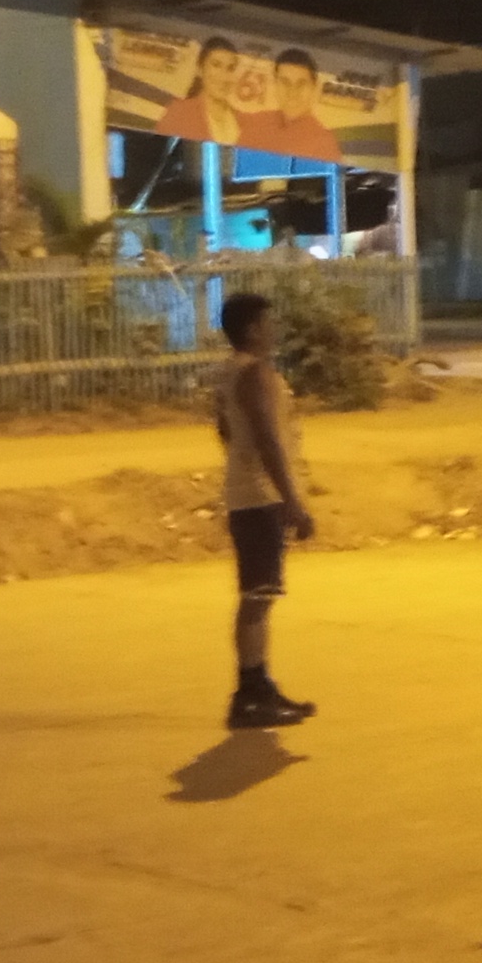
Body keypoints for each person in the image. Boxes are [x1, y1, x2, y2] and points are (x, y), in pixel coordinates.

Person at [215, 291, 320, 730]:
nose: (274, 330)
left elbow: (225, 430)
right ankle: (250, 692)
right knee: (257, 598)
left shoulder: (227, 372)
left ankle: (259, 686)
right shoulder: (255, 374)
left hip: (246, 493)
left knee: (258, 596)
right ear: (253, 329)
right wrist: (291, 499)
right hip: (260, 498)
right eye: (268, 323)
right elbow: (267, 438)